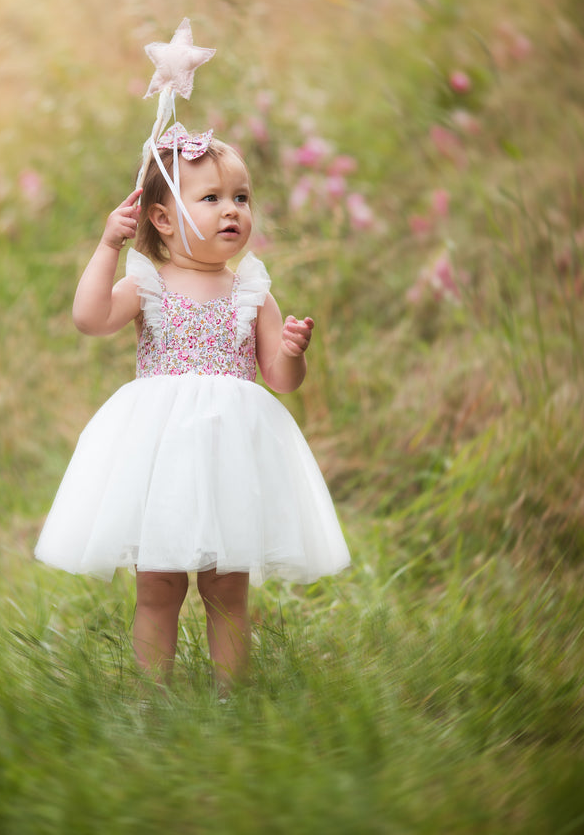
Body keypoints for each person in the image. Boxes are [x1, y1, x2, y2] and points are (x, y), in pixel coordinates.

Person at [35, 128, 351, 691]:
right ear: (162, 218)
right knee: (159, 585)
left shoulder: (252, 291)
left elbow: (280, 380)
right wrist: (108, 247)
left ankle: (231, 696)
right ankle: (151, 698)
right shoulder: (147, 284)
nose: (232, 210)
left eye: (241, 198)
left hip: (231, 456)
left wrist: (291, 352)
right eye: (211, 198)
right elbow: (90, 318)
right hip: (162, 459)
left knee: (226, 588)